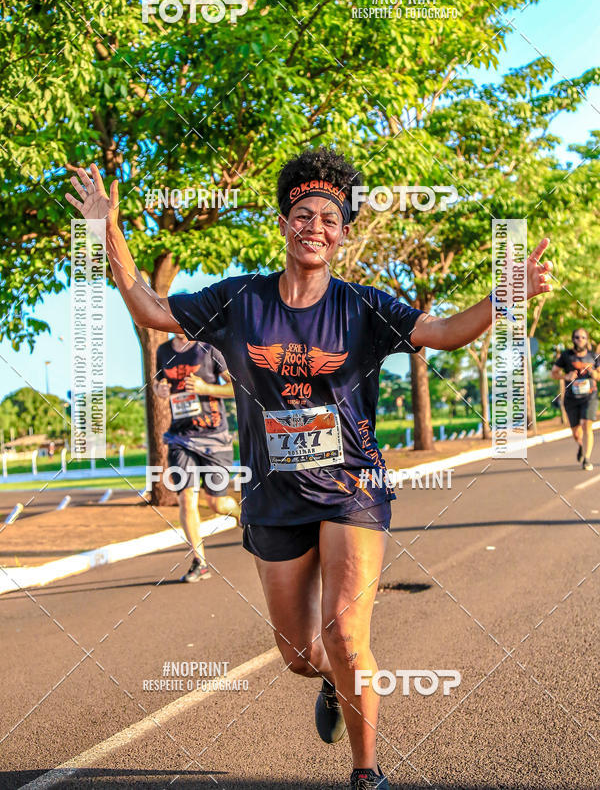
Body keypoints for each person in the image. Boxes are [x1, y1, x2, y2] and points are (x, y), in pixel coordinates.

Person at [66, 150, 552, 790]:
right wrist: (106, 231)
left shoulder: (363, 306)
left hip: (353, 486)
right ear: (283, 224)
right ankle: (329, 677)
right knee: (299, 653)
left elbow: (443, 332)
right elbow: (151, 311)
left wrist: (505, 294)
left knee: (347, 635)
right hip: (274, 497)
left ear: (343, 231)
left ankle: (366, 772)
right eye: (302, 214)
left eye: (329, 217)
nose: (314, 226)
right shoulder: (239, 300)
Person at [153, 332, 240, 582]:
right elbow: (159, 383)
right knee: (186, 498)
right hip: (180, 438)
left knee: (216, 503)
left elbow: (237, 386)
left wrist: (205, 388)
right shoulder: (163, 351)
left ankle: (240, 514)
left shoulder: (209, 348)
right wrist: (160, 390)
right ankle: (199, 562)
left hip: (214, 437)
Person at [551, 328, 600, 471]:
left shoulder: (593, 356)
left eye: (583, 337)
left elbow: (599, 376)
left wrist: (594, 374)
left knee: (586, 424)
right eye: (577, 337)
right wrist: (565, 376)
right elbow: (553, 373)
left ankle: (586, 459)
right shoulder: (566, 356)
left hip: (589, 396)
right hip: (571, 399)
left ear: (587, 340)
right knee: (576, 432)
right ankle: (581, 445)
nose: (580, 340)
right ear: (573, 339)